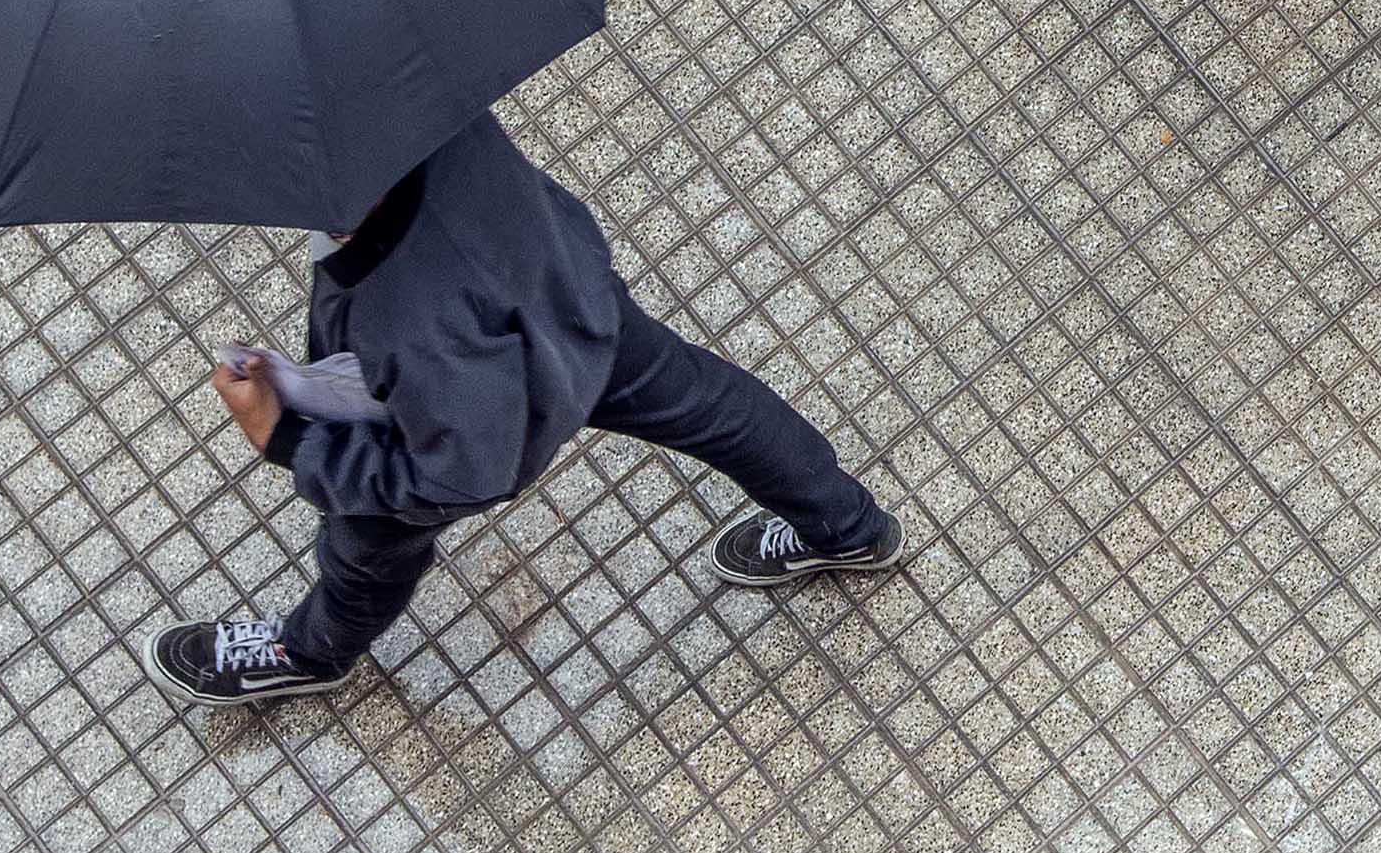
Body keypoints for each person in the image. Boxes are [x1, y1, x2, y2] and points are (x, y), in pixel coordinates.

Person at [140, 113, 907, 706]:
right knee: (712, 406)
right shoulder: (414, 89)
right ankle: (850, 531)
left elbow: (460, 475)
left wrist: (288, 440)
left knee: (367, 547)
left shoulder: (403, 320)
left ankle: (305, 656)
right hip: (567, 299)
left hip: (468, 400)